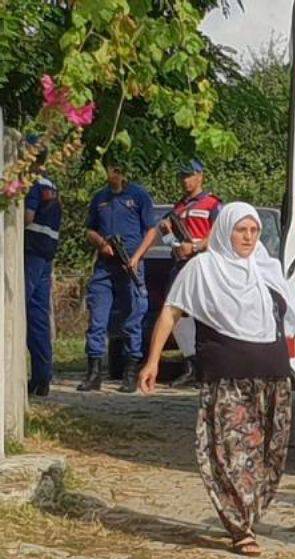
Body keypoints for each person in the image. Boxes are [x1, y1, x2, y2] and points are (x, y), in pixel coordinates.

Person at [139, 202, 295, 556]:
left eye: (253, 231)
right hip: (227, 376)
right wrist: (152, 361)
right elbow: (171, 312)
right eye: (240, 230)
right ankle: (239, 526)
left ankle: (248, 513)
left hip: (272, 376)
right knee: (230, 451)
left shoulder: (267, 269)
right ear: (225, 231)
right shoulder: (203, 269)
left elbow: (290, 315)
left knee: (267, 455)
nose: (247, 237)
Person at [78, 160, 158, 393]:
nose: (113, 173)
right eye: (109, 169)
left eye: (117, 169)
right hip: (105, 266)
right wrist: (101, 243)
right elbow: (90, 229)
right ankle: (93, 373)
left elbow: (151, 230)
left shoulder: (139, 195)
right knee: (98, 319)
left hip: (130, 265)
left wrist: (137, 257)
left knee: (133, 317)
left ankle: (131, 371)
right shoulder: (100, 198)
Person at [159, 159, 223, 387]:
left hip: (203, 263)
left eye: (189, 175)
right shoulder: (177, 208)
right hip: (181, 264)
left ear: (200, 176)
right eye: (182, 176)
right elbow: (170, 240)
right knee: (177, 312)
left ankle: (206, 367)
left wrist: (195, 247)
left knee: (204, 314)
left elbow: (218, 235)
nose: (185, 181)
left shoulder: (212, 204)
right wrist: (169, 238)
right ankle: (190, 364)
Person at [23, 140, 61, 397]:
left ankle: (39, 378)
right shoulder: (51, 185)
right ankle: (42, 377)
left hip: (32, 252)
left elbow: (27, 218)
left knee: (19, 309)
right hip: (46, 253)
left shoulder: (34, 185)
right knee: (38, 316)